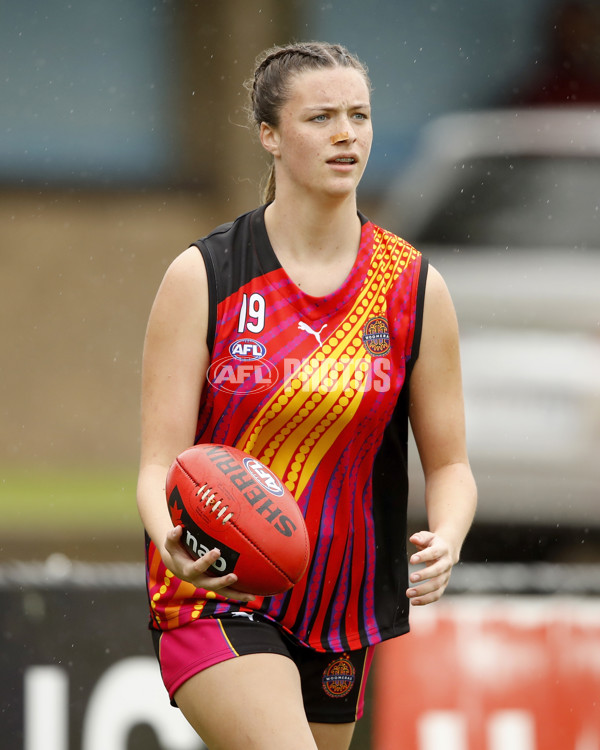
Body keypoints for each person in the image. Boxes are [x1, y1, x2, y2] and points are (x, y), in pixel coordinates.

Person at [136, 41, 477, 750]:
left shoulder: (413, 288)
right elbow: (157, 461)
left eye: (359, 115)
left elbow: (450, 464)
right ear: (270, 135)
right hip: (218, 586)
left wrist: (446, 537)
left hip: (342, 604)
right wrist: (170, 541)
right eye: (320, 117)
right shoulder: (206, 275)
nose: (346, 133)